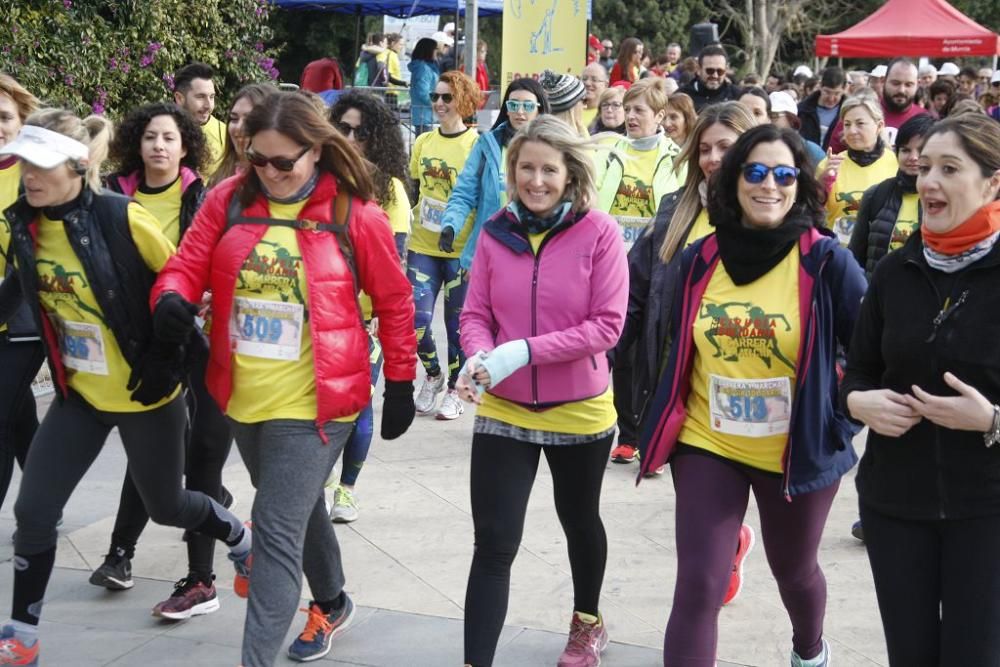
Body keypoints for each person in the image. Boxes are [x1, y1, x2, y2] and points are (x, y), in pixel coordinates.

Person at [149, 91, 416, 665]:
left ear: (317, 150)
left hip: (320, 403)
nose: (269, 173)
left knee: (272, 530)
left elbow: (395, 302)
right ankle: (335, 598)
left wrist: (400, 382)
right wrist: (170, 298)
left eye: (282, 162)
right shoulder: (228, 199)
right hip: (244, 397)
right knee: (295, 506)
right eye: (257, 160)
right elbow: (185, 266)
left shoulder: (355, 214)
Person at [0, 108, 252, 665]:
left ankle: (238, 534)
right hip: (81, 398)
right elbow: (18, 285)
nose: (29, 177)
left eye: (40, 166)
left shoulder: (122, 218)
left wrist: (185, 370)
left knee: (167, 506)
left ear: (77, 165)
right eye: (22, 165)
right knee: (33, 513)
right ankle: (22, 632)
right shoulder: (26, 222)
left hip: (146, 394)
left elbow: (177, 292)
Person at [639, 123, 867, 667]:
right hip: (707, 443)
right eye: (757, 172)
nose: (771, 185)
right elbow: (669, 338)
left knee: (795, 570)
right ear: (734, 180)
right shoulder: (701, 257)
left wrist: (836, 415)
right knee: (698, 584)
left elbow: (873, 351)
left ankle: (809, 649)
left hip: (795, 451)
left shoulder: (827, 261)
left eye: (785, 174)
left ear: (800, 184)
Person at [456, 115, 628, 667]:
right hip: (505, 409)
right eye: (526, 168)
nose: (536, 180)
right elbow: (474, 312)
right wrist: (480, 354)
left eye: (548, 169)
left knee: (580, 522)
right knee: (494, 543)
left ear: (570, 173)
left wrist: (523, 350)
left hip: (580, 411)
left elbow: (607, 326)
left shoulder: (599, 232)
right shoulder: (494, 231)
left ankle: (587, 622)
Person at [841, 112, 1000, 667]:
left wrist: (992, 421)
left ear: (992, 182)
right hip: (894, 503)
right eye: (924, 165)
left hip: (987, 509)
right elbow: (858, 370)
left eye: (949, 168)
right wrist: (858, 401)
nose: (927, 180)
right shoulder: (894, 271)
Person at [91, 104, 232, 621]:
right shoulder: (110, 195)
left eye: (168, 138)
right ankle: (120, 553)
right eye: (149, 136)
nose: (158, 146)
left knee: (199, 455)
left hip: (193, 336)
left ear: (185, 145)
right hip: (134, 339)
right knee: (148, 446)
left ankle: (201, 574)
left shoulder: (203, 196)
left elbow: (205, 261)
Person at [616, 102, 757, 601]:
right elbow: (635, 292)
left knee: (788, 556)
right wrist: (603, 353)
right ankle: (722, 553)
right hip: (683, 393)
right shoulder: (675, 210)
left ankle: (732, 543)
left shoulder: (771, 213)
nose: (714, 159)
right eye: (705, 149)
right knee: (701, 536)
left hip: (749, 390)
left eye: (727, 147)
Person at [326, 90, 412, 523]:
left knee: (360, 406)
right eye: (342, 128)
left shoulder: (390, 190)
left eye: (361, 131)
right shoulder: (315, 178)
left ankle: (346, 489)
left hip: (364, 322)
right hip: (319, 322)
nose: (350, 138)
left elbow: (392, 269)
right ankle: (319, 483)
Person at [408, 70, 480, 420]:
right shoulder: (423, 141)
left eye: (446, 98)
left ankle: (455, 387)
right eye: (435, 97)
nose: (438, 103)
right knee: (416, 318)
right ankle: (434, 375)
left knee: (457, 327)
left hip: (460, 251)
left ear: (463, 102)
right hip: (422, 245)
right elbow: (413, 189)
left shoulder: (477, 144)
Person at [440, 78, 549, 273]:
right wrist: (451, 225)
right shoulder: (487, 145)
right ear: (506, 109)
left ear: (539, 110)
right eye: (513, 104)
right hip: (489, 251)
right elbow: (464, 193)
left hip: (535, 253)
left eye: (528, 105)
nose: (520, 112)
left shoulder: (554, 149)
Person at [0, 75, 42, 516]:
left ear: (21, 121)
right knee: (17, 409)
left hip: (21, 320)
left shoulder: (33, 174)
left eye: (4, 116)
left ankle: (40, 497)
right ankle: (46, 489)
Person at [597, 77, 682, 251]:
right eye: (627, 109)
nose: (630, 116)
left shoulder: (678, 158)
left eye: (638, 110)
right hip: (608, 249)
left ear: (659, 115)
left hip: (653, 253)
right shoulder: (607, 150)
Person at [849, 113, 936, 279]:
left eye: (921, 150)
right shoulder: (875, 195)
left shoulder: (945, 201)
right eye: (905, 150)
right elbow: (855, 258)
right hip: (875, 299)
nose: (913, 157)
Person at [817, 93, 899, 247]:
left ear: (879, 126)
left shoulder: (896, 163)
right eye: (847, 124)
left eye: (860, 123)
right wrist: (823, 182)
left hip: (880, 253)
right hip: (839, 254)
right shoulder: (829, 164)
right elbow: (812, 211)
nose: (852, 130)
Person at [828, 59, 927, 153]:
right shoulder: (858, 112)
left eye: (908, 85)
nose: (901, 90)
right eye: (895, 83)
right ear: (883, 81)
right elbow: (834, 158)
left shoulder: (925, 119)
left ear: (917, 84)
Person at [208, 83, 274, 189]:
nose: (239, 127)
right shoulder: (220, 176)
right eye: (234, 119)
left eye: (249, 120)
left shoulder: (279, 180)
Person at [172, 63, 226, 178]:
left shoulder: (226, 133)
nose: (208, 105)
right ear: (179, 98)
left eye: (211, 97)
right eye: (200, 97)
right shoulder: (161, 131)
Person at [770, 90, 826, 167]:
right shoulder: (757, 147)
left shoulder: (811, 151)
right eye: (765, 114)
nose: (768, 120)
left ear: (791, 118)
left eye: (773, 115)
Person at [797, 67, 846, 151]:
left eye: (837, 93)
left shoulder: (849, 112)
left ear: (844, 89)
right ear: (820, 86)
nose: (831, 98)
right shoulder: (802, 110)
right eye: (827, 92)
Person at [679, 45, 739, 111]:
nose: (715, 76)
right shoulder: (682, 96)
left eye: (720, 71)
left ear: (726, 70)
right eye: (710, 71)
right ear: (699, 69)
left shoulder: (736, 95)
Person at [539, 70, 588, 138]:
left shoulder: (546, 131)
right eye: (584, 101)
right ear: (571, 106)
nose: (585, 106)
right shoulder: (561, 139)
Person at [408, 37, 441, 136]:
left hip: (425, 114)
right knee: (425, 146)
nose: (437, 52)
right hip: (425, 114)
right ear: (429, 50)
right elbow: (423, 92)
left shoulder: (425, 67)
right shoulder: (424, 69)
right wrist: (435, 104)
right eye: (435, 49)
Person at [581, 63, 609, 129]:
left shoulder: (609, 113)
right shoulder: (570, 110)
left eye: (594, 80)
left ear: (606, 85)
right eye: (584, 79)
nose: (587, 83)